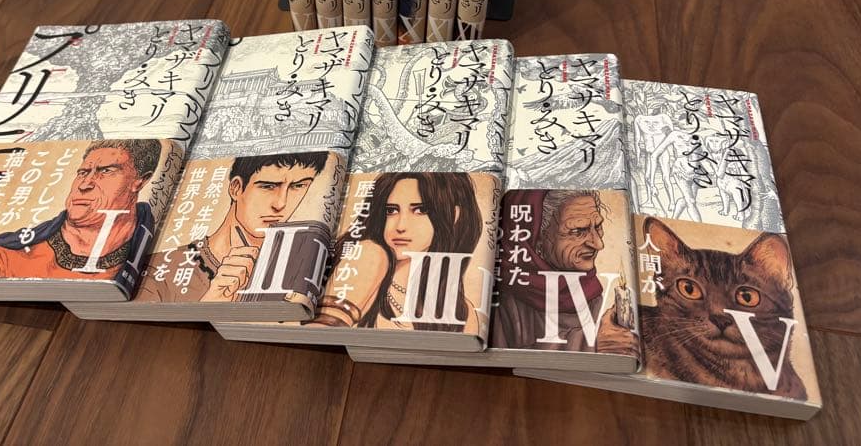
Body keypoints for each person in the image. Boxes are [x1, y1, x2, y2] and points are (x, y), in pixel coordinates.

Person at [137, 151, 328, 302]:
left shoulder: (299, 269)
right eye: (268, 186)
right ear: (236, 188)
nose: (280, 204)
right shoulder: (157, 272)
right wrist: (211, 303)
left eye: (298, 186)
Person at [0, 139, 160, 279]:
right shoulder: (1, 260)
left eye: (105, 171)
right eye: (83, 172)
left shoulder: (156, 253)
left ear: (140, 181)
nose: (84, 184)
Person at [313, 172, 484, 332]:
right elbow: (320, 335)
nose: (400, 226)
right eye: (391, 210)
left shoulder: (461, 310)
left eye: (420, 210)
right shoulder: (369, 254)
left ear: (454, 215)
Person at [492, 189, 637, 355]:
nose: (598, 244)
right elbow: (501, 359)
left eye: (598, 227)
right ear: (537, 238)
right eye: (578, 231)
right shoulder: (506, 298)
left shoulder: (588, 289)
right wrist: (593, 343)